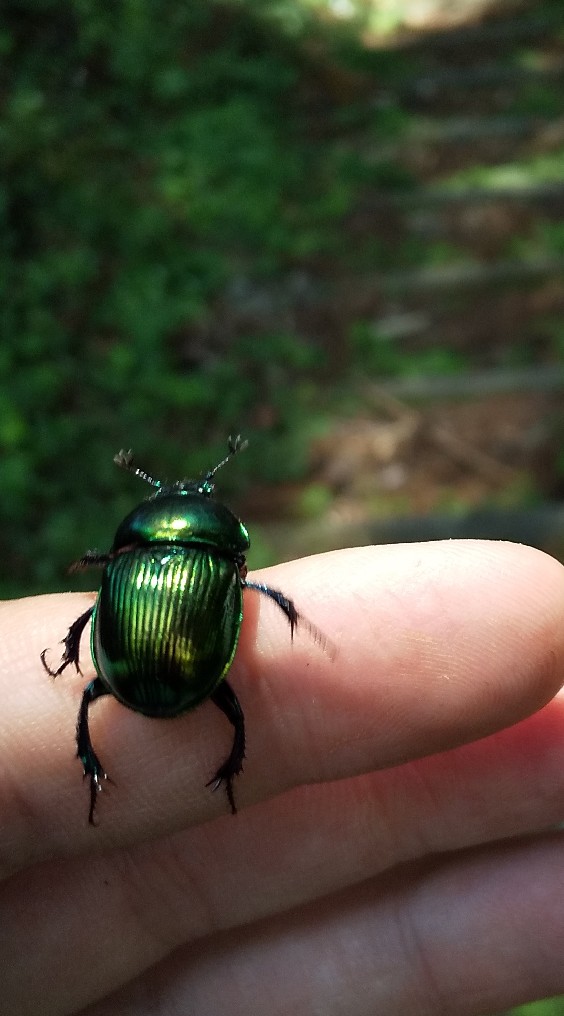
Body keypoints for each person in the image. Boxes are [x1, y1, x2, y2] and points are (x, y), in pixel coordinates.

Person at [2, 540, 564, 1015]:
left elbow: (96, 614)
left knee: (90, 696)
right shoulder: (224, 570)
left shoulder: (122, 567)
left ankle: (102, 771)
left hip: (127, 672)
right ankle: (219, 776)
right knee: (234, 713)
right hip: (189, 677)